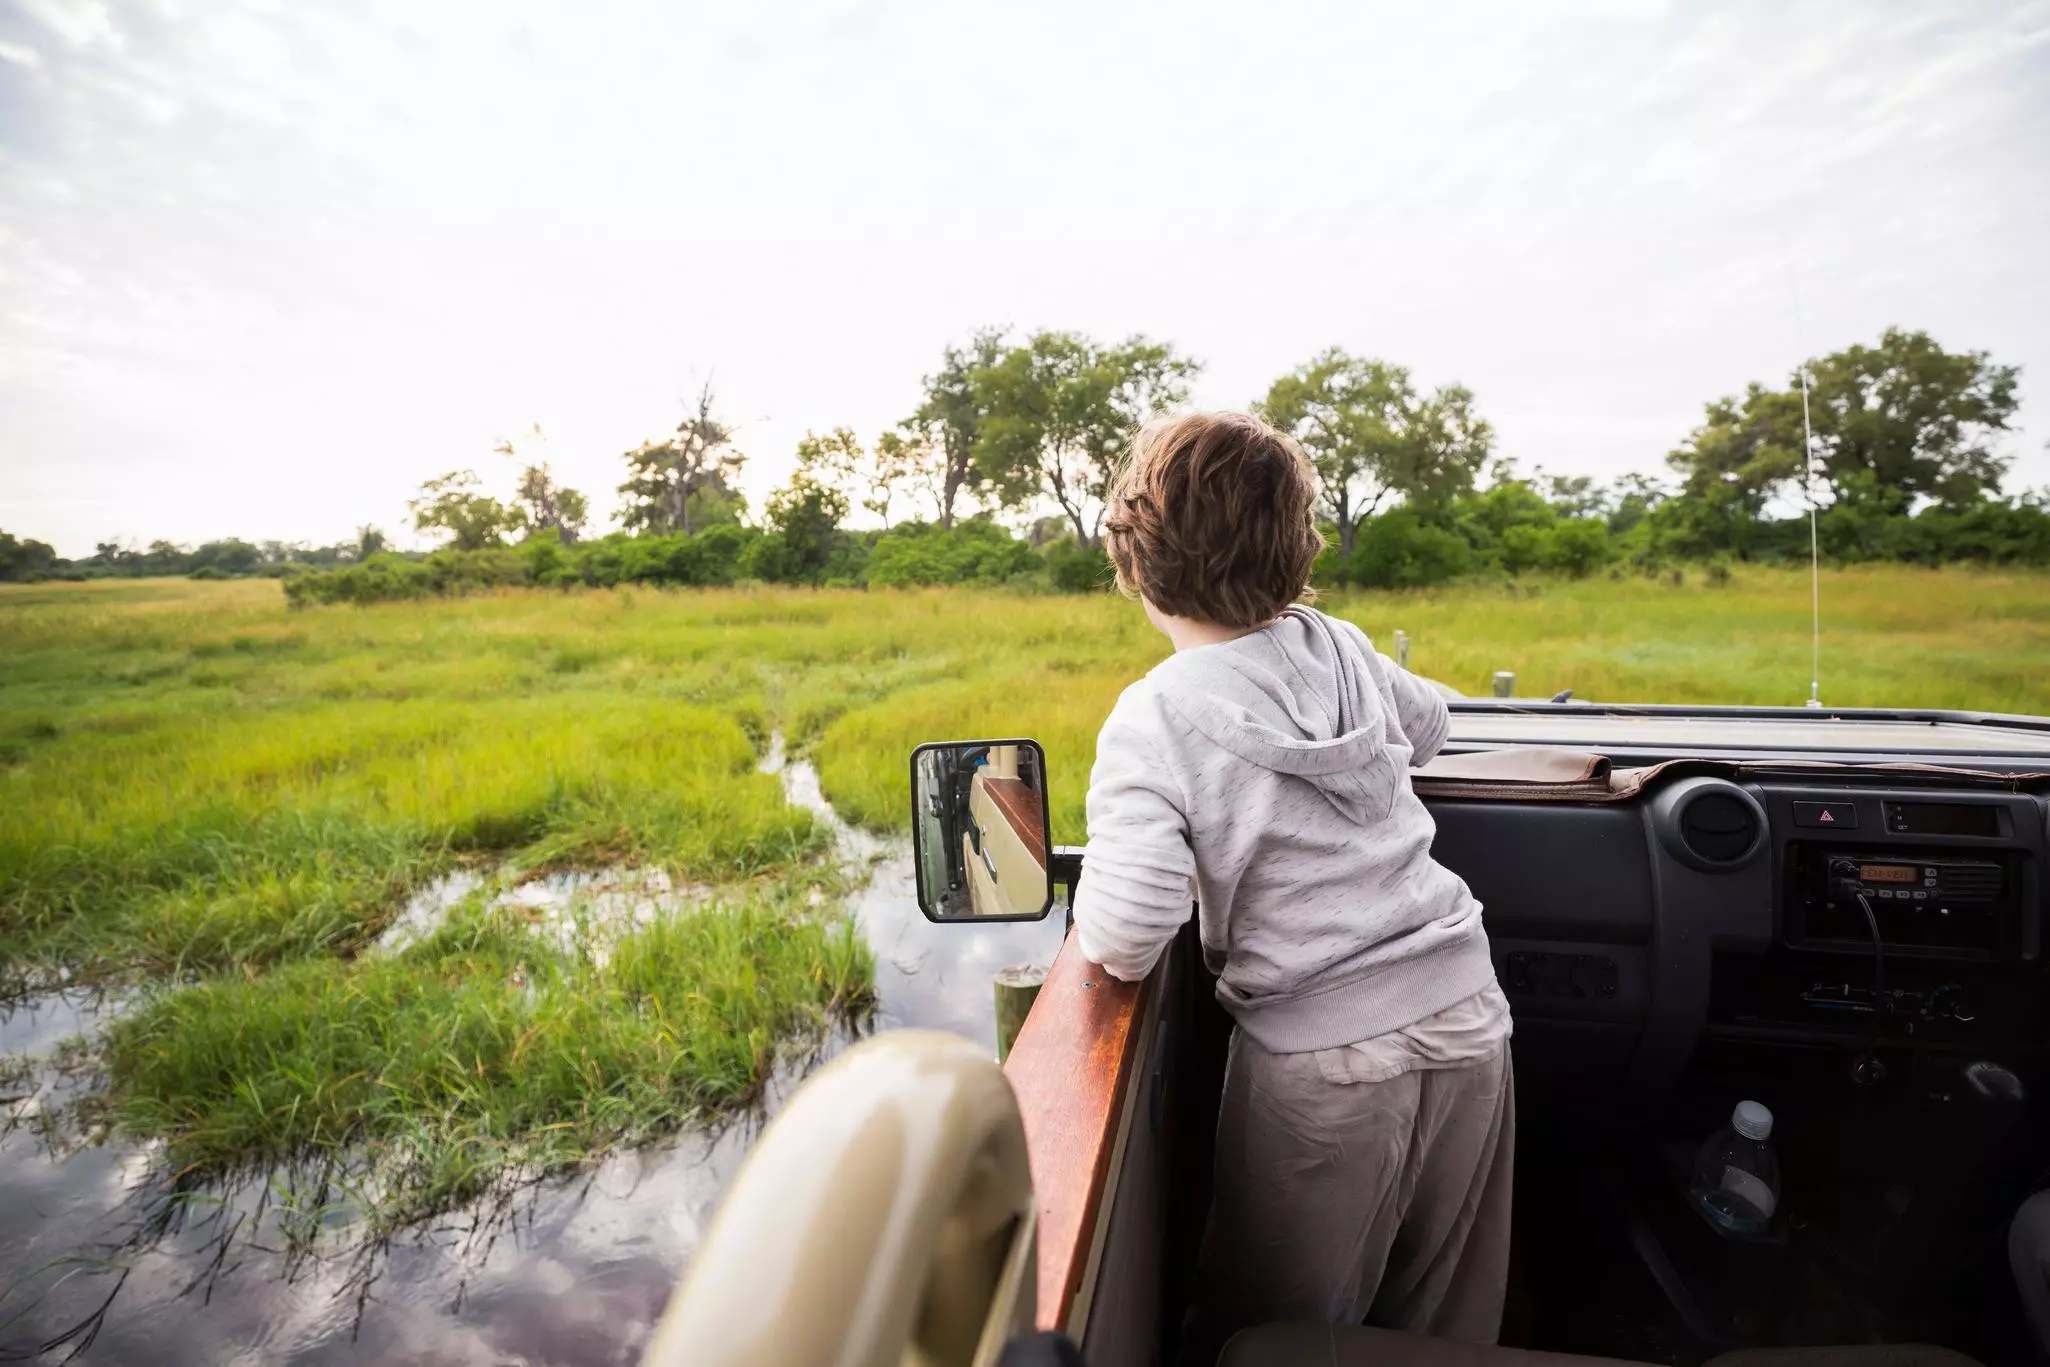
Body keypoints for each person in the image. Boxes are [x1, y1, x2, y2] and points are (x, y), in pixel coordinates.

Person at [1070, 411, 1514, 1363]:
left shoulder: (1154, 715)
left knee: (1272, 1329)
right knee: (1442, 1318)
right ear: (1297, 543)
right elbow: (1432, 725)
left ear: (1136, 559)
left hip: (1327, 1060)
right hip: (1469, 1011)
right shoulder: (1341, 643)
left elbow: (1128, 930)